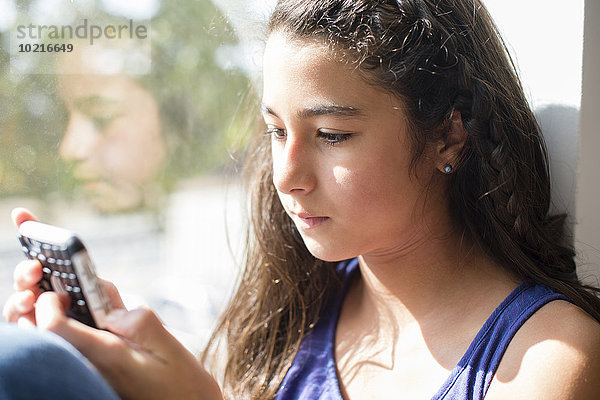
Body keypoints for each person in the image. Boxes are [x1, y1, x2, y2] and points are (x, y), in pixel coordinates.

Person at [3, 0, 600, 399]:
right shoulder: (292, 313)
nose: (286, 176)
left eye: (332, 135)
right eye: (276, 130)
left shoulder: (544, 358)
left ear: (448, 132)